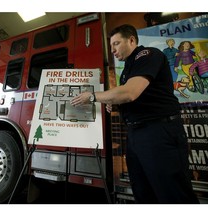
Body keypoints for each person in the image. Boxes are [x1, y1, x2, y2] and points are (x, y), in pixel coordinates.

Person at [70, 24, 199, 204]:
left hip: (159, 133)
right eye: (111, 46)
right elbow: (133, 97)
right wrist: (116, 104)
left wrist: (92, 96)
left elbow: (130, 93)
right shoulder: (128, 70)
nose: (112, 50)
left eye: (116, 43)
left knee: (173, 194)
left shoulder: (147, 55)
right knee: (143, 192)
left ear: (131, 40)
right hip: (136, 135)